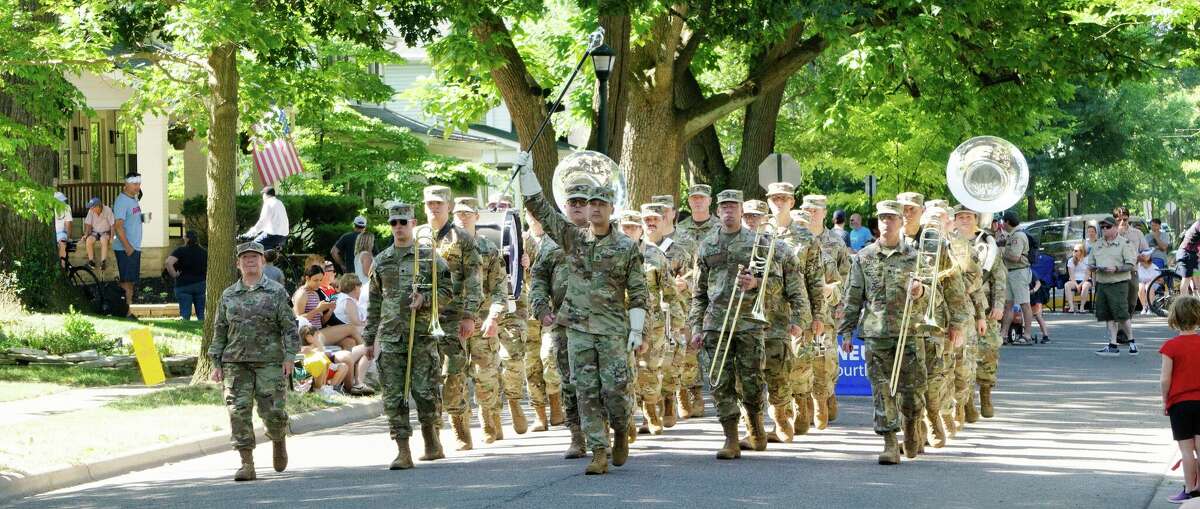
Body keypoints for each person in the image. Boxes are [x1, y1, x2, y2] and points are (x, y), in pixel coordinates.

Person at [519, 151, 648, 475]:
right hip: (577, 328)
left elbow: (639, 292)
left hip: (613, 330)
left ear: (611, 209)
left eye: (600, 204)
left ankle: (620, 430)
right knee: (586, 389)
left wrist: (637, 330)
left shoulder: (626, 247)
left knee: (615, 390)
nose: (593, 209)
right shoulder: (573, 239)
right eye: (590, 204)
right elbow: (542, 211)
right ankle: (598, 450)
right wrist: (527, 174)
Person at [690, 189, 808, 460]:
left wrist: (755, 284)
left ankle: (755, 428)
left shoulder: (759, 244)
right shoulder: (707, 246)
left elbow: (777, 284)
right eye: (724, 207)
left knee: (752, 381)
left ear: (741, 211)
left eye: (733, 206)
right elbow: (698, 294)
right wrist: (695, 327)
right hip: (715, 323)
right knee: (720, 382)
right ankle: (730, 438)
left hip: (749, 323)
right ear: (717, 211)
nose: (729, 211)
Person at [839, 200, 933, 465]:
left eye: (892, 218)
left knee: (913, 394)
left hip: (910, 333)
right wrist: (846, 332)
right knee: (882, 390)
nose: (886, 223)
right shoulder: (864, 257)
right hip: (876, 333)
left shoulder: (916, 257)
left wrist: (921, 291)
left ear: (902, 221)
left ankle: (912, 428)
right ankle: (890, 442)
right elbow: (853, 297)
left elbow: (933, 298)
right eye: (882, 218)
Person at [363, 202, 453, 470]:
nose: (399, 227)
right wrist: (369, 339)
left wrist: (425, 298)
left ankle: (431, 439)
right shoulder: (382, 260)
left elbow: (448, 291)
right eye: (394, 223)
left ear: (413, 224)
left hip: (422, 335)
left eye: (403, 222)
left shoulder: (428, 256)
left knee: (424, 392)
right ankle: (403, 450)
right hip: (391, 337)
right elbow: (374, 302)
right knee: (393, 395)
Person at [208, 241, 298, 481]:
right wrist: (215, 361)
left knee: (273, 412)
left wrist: (290, 356)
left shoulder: (277, 291)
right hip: (235, 362)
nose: (250, 261)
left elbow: (289, 327)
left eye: (254, 257)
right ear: (238, 264)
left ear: (263, 262)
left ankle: (278, 438)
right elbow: (220, 330)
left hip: (269, 361)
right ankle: (246, 463)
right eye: (245, 258)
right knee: (237, 411)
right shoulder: (228, 295)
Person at [414, 185, 485, 439]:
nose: (434, 208)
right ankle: (432, 431)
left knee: (453, 372)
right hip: (421, 317)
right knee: (426, 376)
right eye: (430, 204)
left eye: (439, 204)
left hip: (453, 316)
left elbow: (474, 280)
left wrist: (470, 315)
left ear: (449, 207)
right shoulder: (416, 236)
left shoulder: (462, 238)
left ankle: (459, 424)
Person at [743, 197, 811, 445]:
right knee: (745, 380)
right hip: (743, 326)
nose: (751, 222)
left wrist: (799, 321)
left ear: (766, 220)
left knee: (778, 379)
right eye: (747, 217)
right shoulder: (735, 249)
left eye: (756, 217)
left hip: (776, 325)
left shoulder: (782, 251)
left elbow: (797, 290)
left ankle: (782, 421)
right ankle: (752, 428)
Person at [528, 197, 591, 457]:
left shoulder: (603, 235)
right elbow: (539, 278)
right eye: (571, 202)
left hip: (598, 322)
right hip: (564, 322)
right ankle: (577, 435)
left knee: (600, 381)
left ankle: (603, 432)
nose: (577, 206)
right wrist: (541, 308)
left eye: (582, 201)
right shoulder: (549, 243)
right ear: (564, 207)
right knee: (569, 381)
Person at [617, 208, 679, 439]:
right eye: (625, 227)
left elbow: (670, 291)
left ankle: (651, 412)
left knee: (650, 369)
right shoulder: (613, 254)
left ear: (640, 230)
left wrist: (680, 323)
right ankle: (628, 418)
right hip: (621, 322)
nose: (628, 231)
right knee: (625, 372)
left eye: (633, 227)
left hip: (652, 323)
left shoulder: (654, 255)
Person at [450, 196, 505, 449]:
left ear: (477, 217)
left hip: (482, 321)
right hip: (452, 322)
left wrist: (494, 316)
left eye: (468, 213)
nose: (462, 217)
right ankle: (462, 431)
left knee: (486, 376)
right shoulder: (444, 248)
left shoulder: (488, 249)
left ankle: (489, 423)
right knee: (455, 376)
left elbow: (499, 289)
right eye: (459, 213)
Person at [801, 193, 851, 429]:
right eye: (807, 209)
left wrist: (838, 298)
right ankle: (809, 405)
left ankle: (824, 396)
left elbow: (846, 278)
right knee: (802, 358)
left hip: (826, 312)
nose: (811, 213)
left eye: (816, 210)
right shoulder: (796, 239)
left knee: (824, 358)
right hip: (800, 311)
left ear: (824, 212)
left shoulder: (836, 242)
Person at [954, 205, 1007, 420]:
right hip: (958, 307)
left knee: (988, 353)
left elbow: (999, 277)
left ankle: (985, 393)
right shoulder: (948, 241)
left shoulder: (987, 243)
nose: (965, 220)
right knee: (962, 356)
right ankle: (966, 403)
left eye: (969, 216)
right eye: (961, 216)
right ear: (955, 219)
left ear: (976, 218)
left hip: (984, 307)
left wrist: (999, 304)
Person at [643, 199, 692, 427]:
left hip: (674, 312)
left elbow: (694, 277)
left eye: (655, 219)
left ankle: (670, 400)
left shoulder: (678, 250)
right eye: (647, 220)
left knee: (672, 360)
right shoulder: (635, 250)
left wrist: (685, 284)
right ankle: (650, 407)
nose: (651, 223)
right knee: (647, 363)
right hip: (648, 316)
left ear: (664, 220)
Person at [668, 184, 716, 420]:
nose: (697, 202)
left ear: (709, 201)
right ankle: (690, 393)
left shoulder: (719, 228)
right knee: (688, 345)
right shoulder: (681, 230)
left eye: (702, 198)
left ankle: (724, 394)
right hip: (689, 296)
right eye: (693, 198)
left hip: (716, 294)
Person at [1159, 296, 1200, 504]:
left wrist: (1165, 400)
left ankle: (1190, 489)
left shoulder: (1170, 347)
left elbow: (1165, 379)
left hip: (1181, 404)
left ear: (1174, 318)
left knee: (1186, 449)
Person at [319, 274, 375, 396]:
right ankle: (366, 351)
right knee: (366, 339)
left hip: (337, 333)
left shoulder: (336, 296)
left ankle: (351, 381)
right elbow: (355, 322)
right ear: (356, 287)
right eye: (359, 287)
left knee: (350, 343)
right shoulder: (348, 300)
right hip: (335, 332)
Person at [1091, 215, 1139, 356]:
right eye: (1103, 227)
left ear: (1115, 227)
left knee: (1122, 315)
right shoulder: (1097, 244)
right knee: (1108, 316)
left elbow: (1131, 264)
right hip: (1102, 282)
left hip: (1118, 283)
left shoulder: (1125, 243)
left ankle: (1132, 343)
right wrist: (1095, 268)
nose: (1104, 229)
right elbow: (1091, 263)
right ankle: (1112, 345)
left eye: (1108, 227)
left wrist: (1117, 268)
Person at [997, 211, 1035, 345]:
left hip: (1019, 272)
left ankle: (1027, 335)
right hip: (1011, 272)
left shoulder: (1018, 236)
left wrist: (1001, 252)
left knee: (1024, 304)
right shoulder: (1012, 235)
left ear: (1007, 222)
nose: (1002, 224)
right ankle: (1003, 334)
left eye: (1003, 222)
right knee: (1008, 304)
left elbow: (1015, 257)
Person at [112, 173, 144, 311]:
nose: (138, 186)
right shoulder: (122, 201)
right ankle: (125, 311)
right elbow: (118, 226)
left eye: (139, 184)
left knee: (130, 281)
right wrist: (127, 247)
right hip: (126, 248)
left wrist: (141, 218)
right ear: (126, 184)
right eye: (135, 184)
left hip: (134, 246)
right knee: (126, 282)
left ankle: (128, 310)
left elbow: (130, 218)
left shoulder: (133, 199)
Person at [166, 230, 208, 321]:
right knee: (202, 315)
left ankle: (185, 326)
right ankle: (203, 329)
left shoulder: (180, 250)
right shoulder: (204, 252)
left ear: (186, 239)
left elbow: (169, 262)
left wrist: (174, 274)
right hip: (201, 284)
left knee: (185, 314)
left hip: (183, 285)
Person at [1116, 206, 1149, 318]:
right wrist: (1118, 233)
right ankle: (1119, 331)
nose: (1122, 222)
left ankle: (1125, 324)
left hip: (1132, 271)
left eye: (1124, 219)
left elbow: (1146, 250)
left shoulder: (1137, 233)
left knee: (1131, 303)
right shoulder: (1111, 234)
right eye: (1119, 220)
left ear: (1128, 219)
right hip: (1116, 273)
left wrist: (1144, 256)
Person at [299, 325, 348, 398]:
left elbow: (321, 350)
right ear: (308, 337)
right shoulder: (304, 348)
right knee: (322, 363)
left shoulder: (317, 345)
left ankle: (331, 387)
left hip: (327, 368)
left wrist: (317, 343)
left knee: (344, 366)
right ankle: (320, 389)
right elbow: (300, 360)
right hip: (314, 371)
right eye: (316, 336)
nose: (318, 338)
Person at [243, 186, 289, 251]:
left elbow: (262, 222)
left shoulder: (268, 204)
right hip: (284, 237)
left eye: (263, 194)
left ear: (265, 195)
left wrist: (249, 234)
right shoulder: (279, 202)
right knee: (265, 252)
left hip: (273, 236)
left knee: (252, 248)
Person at [82, 196, 114, 270]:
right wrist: (86, 234)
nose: (90, 209)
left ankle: (103, 262)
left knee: (103, 240)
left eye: (92, 207)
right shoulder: (91, 211)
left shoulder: (108, 210)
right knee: (89, 240)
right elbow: (88, 224)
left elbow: (113, 225)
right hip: (95, 232)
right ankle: (91, 262)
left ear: (98, 206)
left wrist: (112, 237)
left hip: (105, 232)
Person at [1065, 245, 1092, 313]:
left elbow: (1087, 274)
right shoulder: (1071, 260)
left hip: (1085, 279)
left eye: (1076, 250)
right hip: (1074, 280)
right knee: (1067, 285)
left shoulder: (1088, 260)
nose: (1074, 252)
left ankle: (1082, 307)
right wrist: (1077, 285)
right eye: (1073, 250)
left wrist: (1080, 285)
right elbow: (1071, 275)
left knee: (1085, 286)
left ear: (1081, 251)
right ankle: (1071, 307)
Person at [1137, 250, 1161, 315]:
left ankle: (1150, 308)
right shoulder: (1137, 266)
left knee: (1149, 285)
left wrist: (1151, 281)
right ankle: (1144, 307)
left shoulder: (1154, 267)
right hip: (1141, 284)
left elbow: (1161, 281)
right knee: (1141, 286)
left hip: (1153, 284)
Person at [53, 192, 73, 267]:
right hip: (57, 233)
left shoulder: (66, 208)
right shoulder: (66, 207)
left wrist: (68, 237)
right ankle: (62, 266)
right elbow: (69, 224)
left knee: (62, 243)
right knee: (61, 243)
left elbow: (68, 224)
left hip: (61, 233)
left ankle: (62, 266)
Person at [1181, 219, 1200, 297]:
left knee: (1196, 281)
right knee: (1187, 279)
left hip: (1193, 255)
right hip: (1188, 254)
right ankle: (1182, 304)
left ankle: (1196, 298)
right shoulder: (1198, 225)